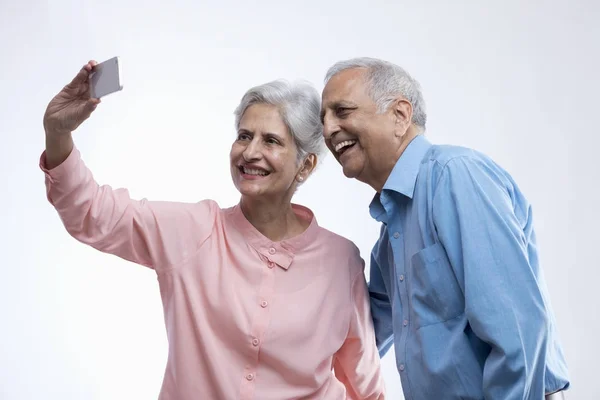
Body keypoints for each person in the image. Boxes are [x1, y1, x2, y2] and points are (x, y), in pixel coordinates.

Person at [41, 60, 386, 400]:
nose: (250, 152)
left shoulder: (341, 262)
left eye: (271, 141)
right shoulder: (193, 232)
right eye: (244, 136)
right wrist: (58, 132)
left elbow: (364, 385)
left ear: (306, 165)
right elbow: (91, 212)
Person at [320, 57, 570, 400]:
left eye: (342, 111)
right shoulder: (391, 230)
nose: (328, 129)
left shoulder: (455, 176)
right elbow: (360, 337)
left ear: (400, 115)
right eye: (324, 118)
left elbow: (519, 331)